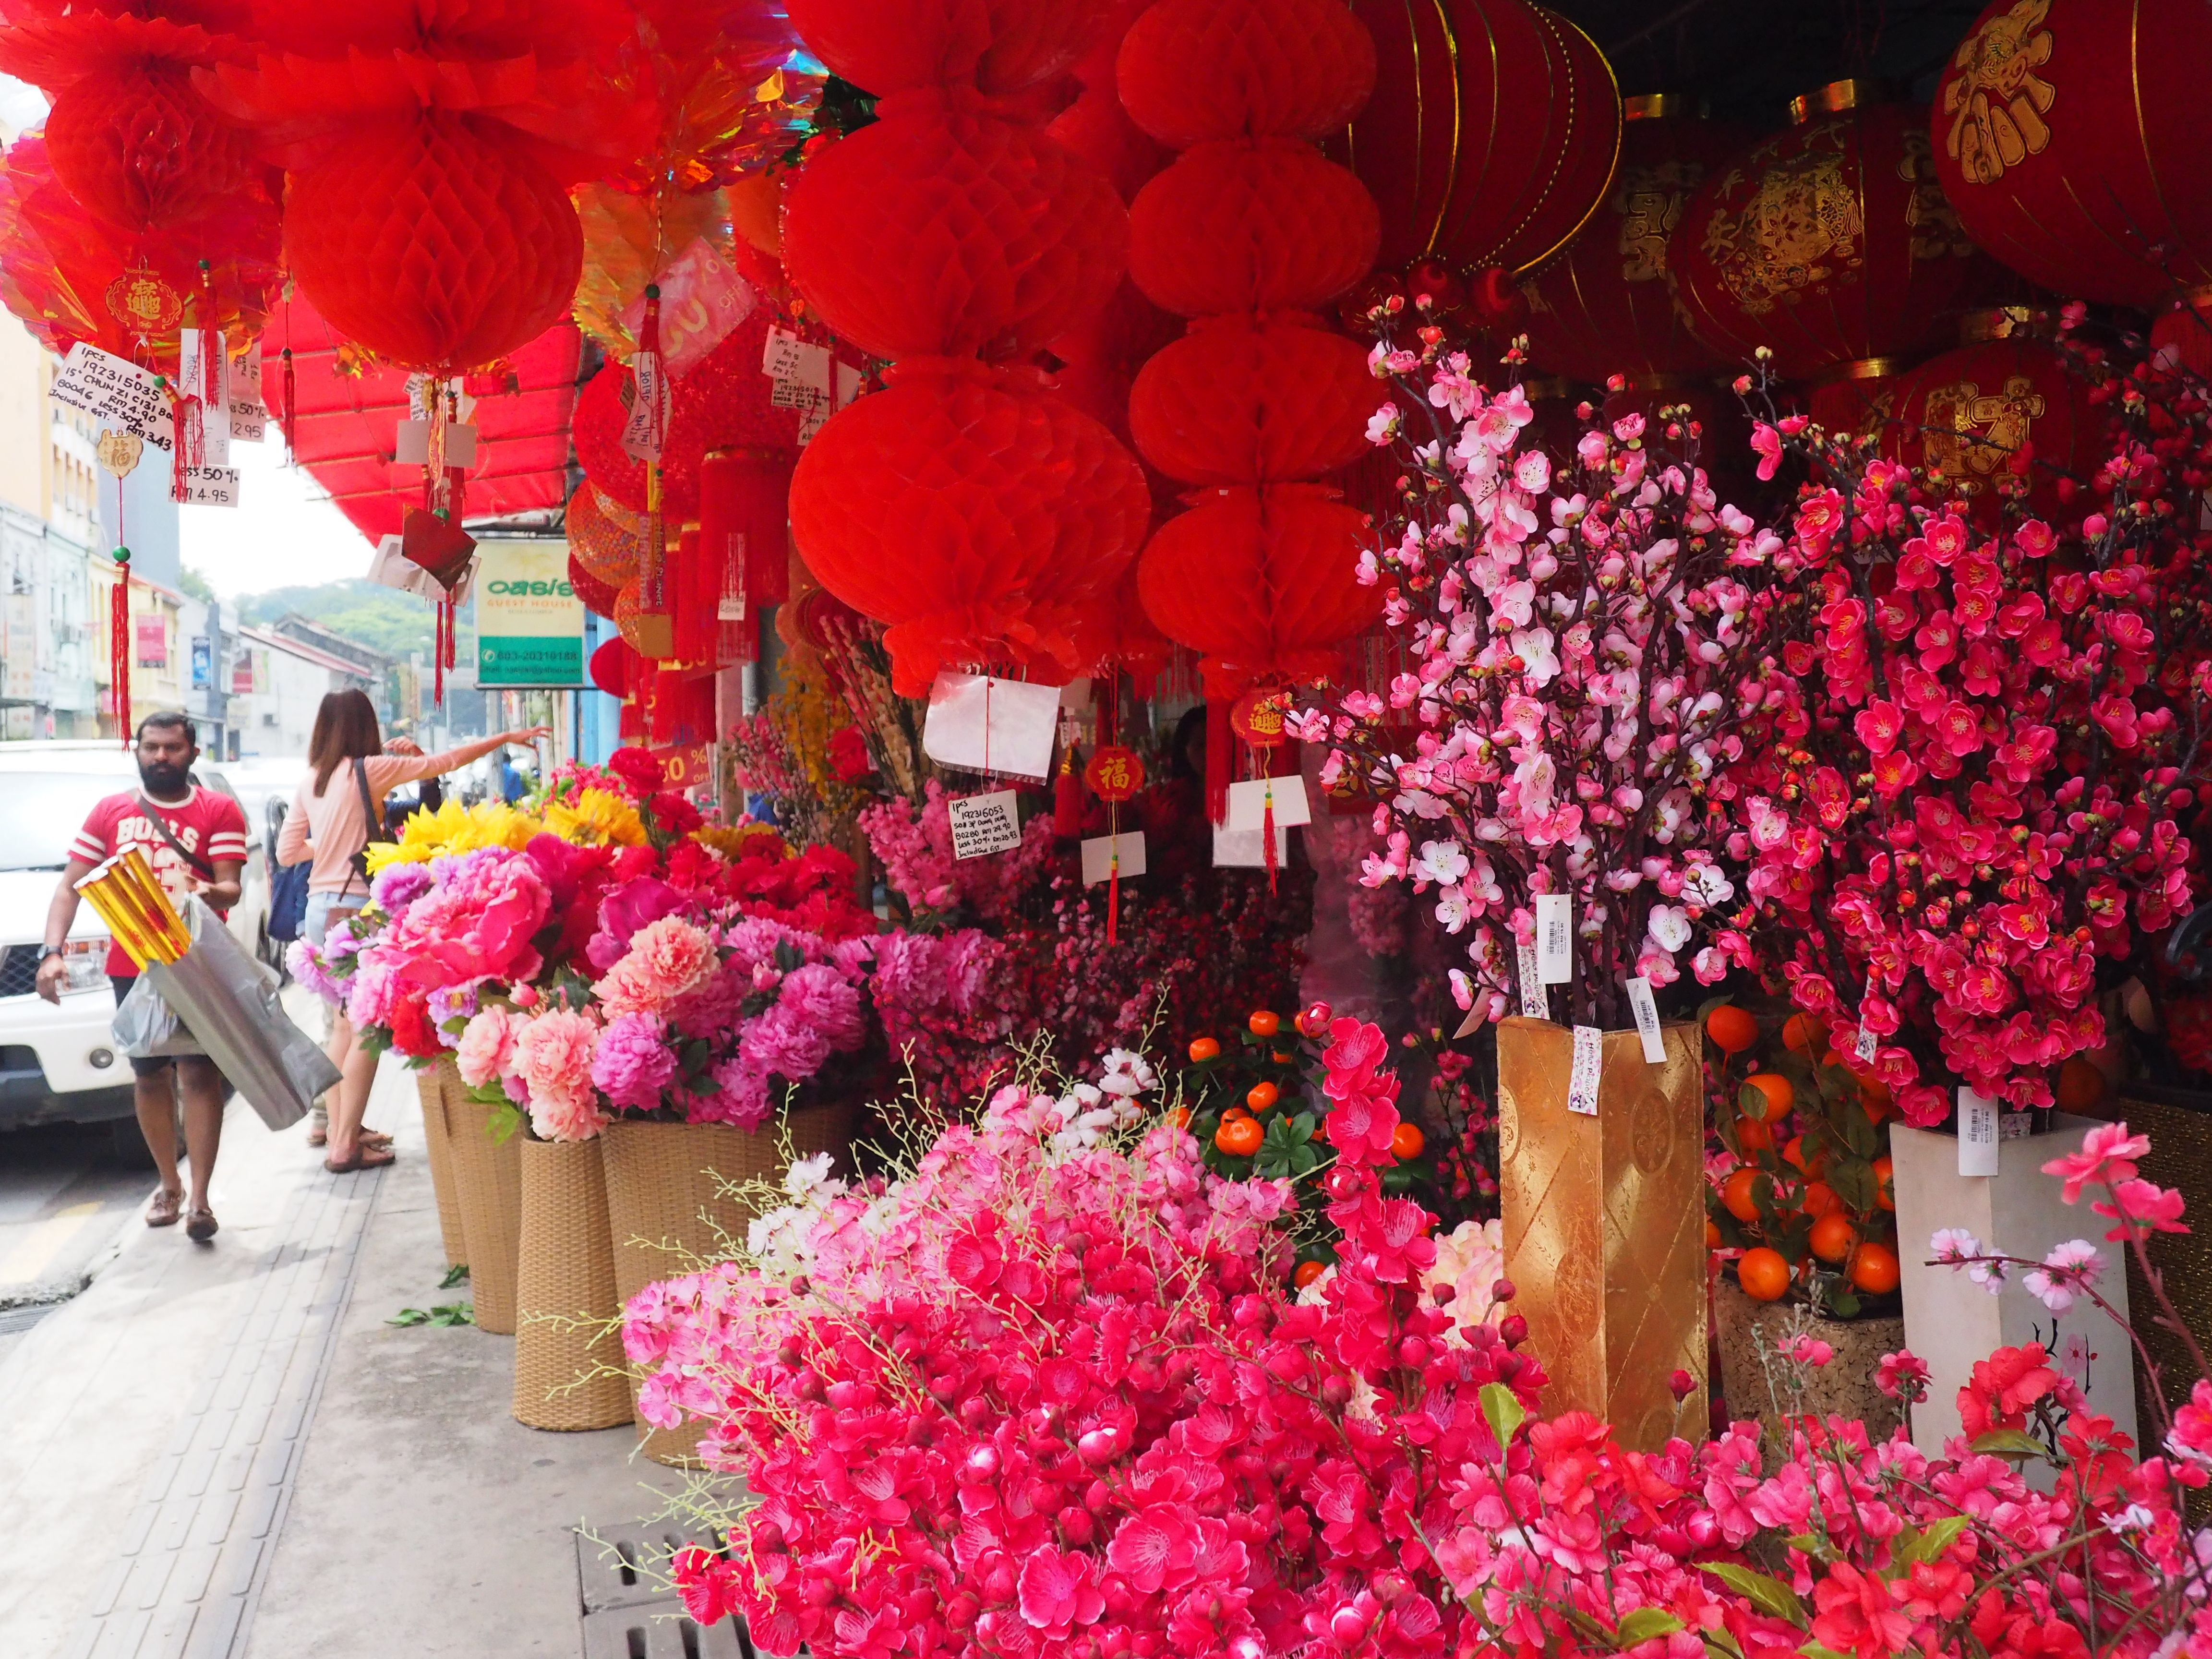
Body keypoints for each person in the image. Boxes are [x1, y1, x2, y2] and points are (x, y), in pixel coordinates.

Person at [276, 690, 549, 1174]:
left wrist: (332, 849)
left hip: (319, 909)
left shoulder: (310, 783)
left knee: (342, 1024)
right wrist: (507, 736)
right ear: (364, 726)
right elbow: (448, 760)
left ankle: (342, 1135)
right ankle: (343, 1146)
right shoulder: (370, 769)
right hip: (356, 907)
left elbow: (286, 853)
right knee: (366, 1027)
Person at [37, 711, 249, 1241]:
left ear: (192, 753)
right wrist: (52, 952)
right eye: (151, 747)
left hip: (195, 964)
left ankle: (200, 1200)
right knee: (149, 1075)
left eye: (172, 748)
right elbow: (71, 886)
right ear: (137, 750)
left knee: (200, 1077)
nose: (160, 757)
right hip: (131, 965)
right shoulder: (112, 811)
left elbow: (231, 886)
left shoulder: (218, 809)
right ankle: (168, 1185)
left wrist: (203, 892)